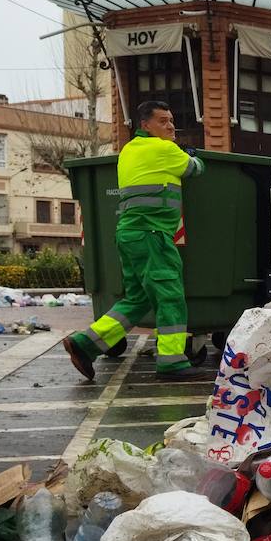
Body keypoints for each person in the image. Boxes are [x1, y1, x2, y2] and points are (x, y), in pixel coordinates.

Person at [63, 100, 205, 381]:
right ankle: (172, 361)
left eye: (171, 120)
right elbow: (195, 169)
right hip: (153, 234)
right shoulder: (163, 149)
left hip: (129, 234)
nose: (170, 125)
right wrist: (191, 155)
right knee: (170, 297)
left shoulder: (129, 150)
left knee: (138, 299)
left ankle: (86, 343)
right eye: (163, 121)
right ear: (146, 125)